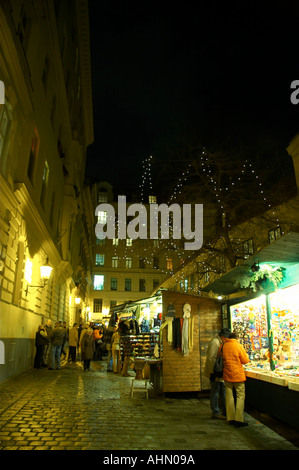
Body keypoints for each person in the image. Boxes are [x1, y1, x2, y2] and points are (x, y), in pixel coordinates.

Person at [222, 331, 250, 427]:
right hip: (238, 375)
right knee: (240, 396)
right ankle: (239, 419)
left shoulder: (224, 346)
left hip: (227, 375)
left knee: (229, 396)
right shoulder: (238, 346)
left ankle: (230, 418)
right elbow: (245, 360)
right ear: (237, 338)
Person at [204, 327, 231, 419]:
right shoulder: (215, 342)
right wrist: (213, 372)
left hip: (219, 372)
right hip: (215, 372)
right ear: (223, 336)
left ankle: (224, 411)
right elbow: (211, 358)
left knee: (222, 391)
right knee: (215, 391)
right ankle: (215, 411)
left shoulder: (219, 342)